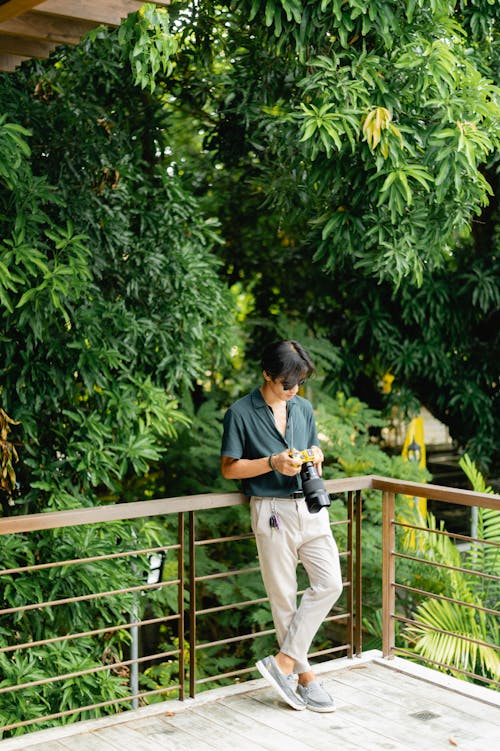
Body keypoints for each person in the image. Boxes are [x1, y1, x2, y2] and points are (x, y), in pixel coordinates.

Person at [221, 339, 343, 712]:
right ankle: (305, 679)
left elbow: (311, 463)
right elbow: (229, 468)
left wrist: (316, 457)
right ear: (266, 374)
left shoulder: (303, 408)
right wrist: (271, 462)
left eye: (299, 384)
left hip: (310, 507)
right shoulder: (240, 412)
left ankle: (284, 663)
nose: (292, 391)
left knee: (330, 583)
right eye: (285, 384)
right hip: (271, 511)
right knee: (283, 599)